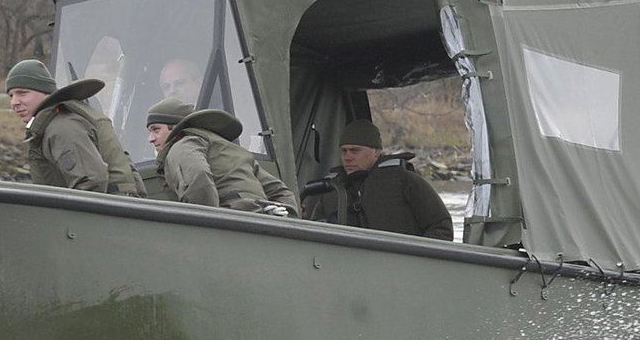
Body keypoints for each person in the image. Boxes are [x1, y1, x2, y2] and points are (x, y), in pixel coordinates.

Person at [5, 59, 144, 196]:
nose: (14, 102)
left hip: (110, 212)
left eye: (22, 93)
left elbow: (91, 182)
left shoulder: (61, 127)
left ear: (45, 92)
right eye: (11, 95)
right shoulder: (52, 125)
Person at [303, 119, 453, 240]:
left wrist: (414, 260)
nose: (347, 157)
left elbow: (441, 228)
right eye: (344, 151)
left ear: (376, 152)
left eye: (355, 151)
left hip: (401, 267)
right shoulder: (332, 190)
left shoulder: (406, 182)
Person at [145, 99, 296, 214]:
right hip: (260, 217)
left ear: (175, 127)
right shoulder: (230, 149)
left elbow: (198, 174)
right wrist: (287, 222)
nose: (150, 139)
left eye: (156, 130)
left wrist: (207, 224)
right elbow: (281, 191)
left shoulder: (181, 145)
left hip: (232, 221)